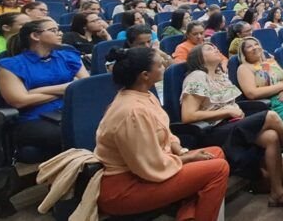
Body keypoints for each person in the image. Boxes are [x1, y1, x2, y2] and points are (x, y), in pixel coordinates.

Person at [94, 47, 230, 220]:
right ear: (145, 75)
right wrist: (186, 159)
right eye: (159, 65)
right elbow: (149, 166)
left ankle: (188, 215)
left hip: (148, 170)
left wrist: (179, 149)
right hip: (125, 187)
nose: (164, 67)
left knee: (215, 153)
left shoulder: (145, 95)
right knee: (218, 169)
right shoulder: (132, 112)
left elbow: (165, 131)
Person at [181, 43, 283, 208]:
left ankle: (277, 193)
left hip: (233, 124)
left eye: (215, 46)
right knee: (271, 116)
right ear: (199, 58)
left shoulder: (220, 75)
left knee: (271, 137)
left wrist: (232, 111)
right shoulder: (197, 77)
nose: (215, 48)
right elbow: (188, 115)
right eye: (209, 49)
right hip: (213, 130)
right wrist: (227, 112)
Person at [0, 19, 89, 158]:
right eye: (53, 30)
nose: (60, 33)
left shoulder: (68, 56)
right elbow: (20, 101)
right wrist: (68, 88)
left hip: (71, 110)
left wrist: (37, 91)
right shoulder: (10, 66)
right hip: (33, 118)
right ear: (35, 36)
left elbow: (85, 86)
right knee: (77, 132)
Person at [236, 37, 283, 125]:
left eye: (256, 44)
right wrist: (281, 86)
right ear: (244, 53)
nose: (255, 47)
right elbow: (252, 93)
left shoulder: (270, 62)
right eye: (249, 47)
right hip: (272, 105)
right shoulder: (244, 68)